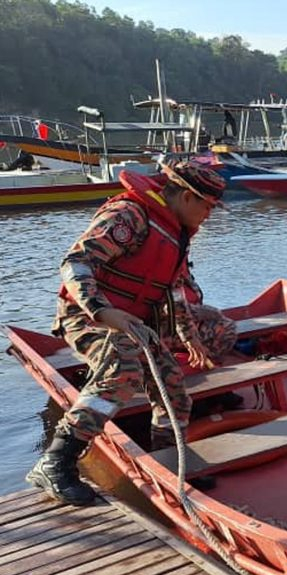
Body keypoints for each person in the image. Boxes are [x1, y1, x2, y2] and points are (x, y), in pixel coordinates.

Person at [26, 161, 227, 506]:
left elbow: (174, 288)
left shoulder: (177, 231)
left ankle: (169, 465)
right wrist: (102, 311)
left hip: (134, 323)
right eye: (206, 205)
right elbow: (75, 263)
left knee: (174, 391)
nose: (210, 214)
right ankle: (57, 460)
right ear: (183, 195)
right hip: (89, 316)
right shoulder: (130, 215)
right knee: (122, 370)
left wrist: (188, 334)